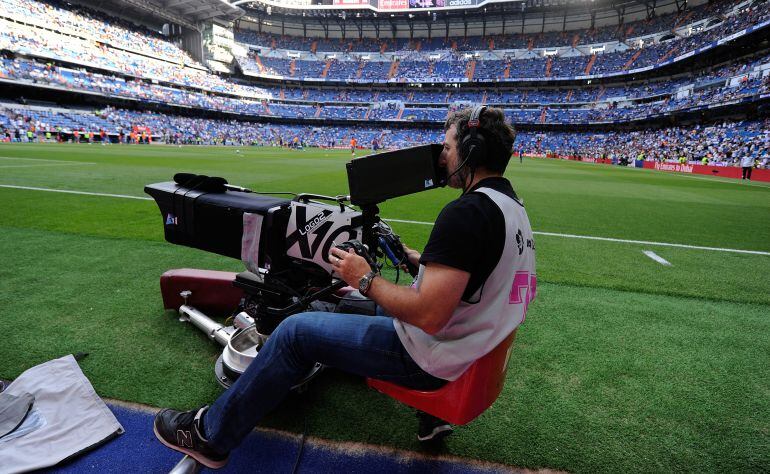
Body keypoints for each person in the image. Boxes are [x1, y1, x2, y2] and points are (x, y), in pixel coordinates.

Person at [152, 106, 537, 469]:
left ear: (471, 151)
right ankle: (424, 412)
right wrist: (422, 263)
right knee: (339, 307)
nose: (442, 159)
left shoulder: (466, 213)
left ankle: (208, 436)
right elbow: (478, 279)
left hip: (431, 355)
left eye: (449, 148)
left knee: (294, 333)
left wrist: (364, 277)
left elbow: (429, 315)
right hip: (469, 344)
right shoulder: (511, 208)